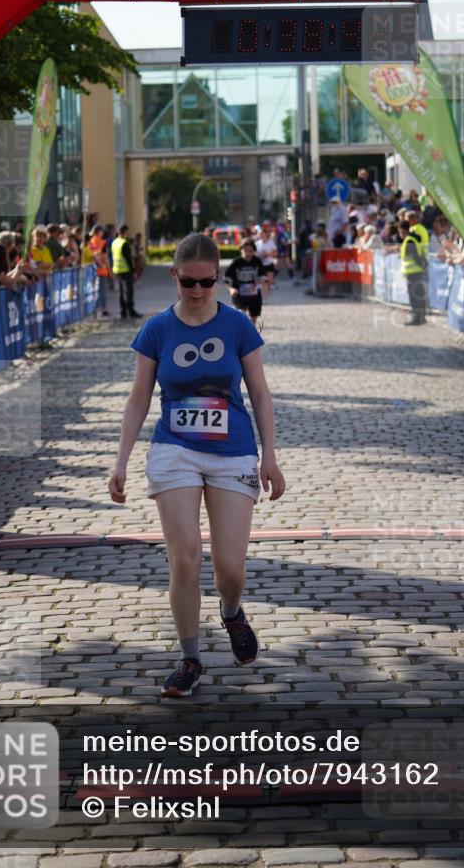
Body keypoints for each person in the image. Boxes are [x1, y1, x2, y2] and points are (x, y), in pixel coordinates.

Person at [108, 233, 285, 697]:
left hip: (234, 452)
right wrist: (120, 461)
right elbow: (138, 400)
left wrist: (270, 456)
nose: (199, 291)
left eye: (208, 282)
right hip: (175, 449)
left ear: (218, 278)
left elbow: (261, 394)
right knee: (184, 560)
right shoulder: (156, 330)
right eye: (189, 282)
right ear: (175, 276)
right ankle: (189, 658)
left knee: (230, 569)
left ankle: (231, 612)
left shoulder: (239, 326)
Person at [224, 238, 266, 326]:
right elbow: (226, 278)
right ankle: (241, 335)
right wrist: (231, 289)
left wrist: (261, 280)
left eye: (250, 251)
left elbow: (263, 275)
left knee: (253, 320)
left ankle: (250, 336)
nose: (248, 253)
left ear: (254, 251)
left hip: (254, 294)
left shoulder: (257, 261)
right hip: (239, 293)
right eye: (245, 250)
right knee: (241, 316)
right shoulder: (236, 262)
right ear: (241, 250)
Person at [399, 219, 428, 326]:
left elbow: (415, 256)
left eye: (400, 232)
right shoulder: (413, 239)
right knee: (418, 294)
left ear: (403, 230)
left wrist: (422, 266)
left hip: (413, 272)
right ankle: (421, 317)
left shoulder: (409, 240)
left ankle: (416, 318)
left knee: (414, 296)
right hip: (416, 271)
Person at [111, 224, 141, 320]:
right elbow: (128, 259)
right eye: (127, 232)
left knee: (121, 292)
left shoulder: (114, 242)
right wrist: (133, 271)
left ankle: (123, 311)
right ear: (124, 232)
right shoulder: (124, 243)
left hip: (117, 269)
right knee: (128, 291)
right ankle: (130, 311)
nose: (128, 234)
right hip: (125, 270)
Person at [89, 224, 113, 317]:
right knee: (101, 291)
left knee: (95, 291)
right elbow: (105, 257)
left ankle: (96, 310)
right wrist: (109, 270)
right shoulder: (103, 243)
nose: (103, 232)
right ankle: (103, 309)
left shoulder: (90, 242)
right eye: (101, 231)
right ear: (98, 232)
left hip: (92, 270)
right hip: (101, 270)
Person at [254, 226, 277, 302]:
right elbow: (254, 254)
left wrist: (267, 254)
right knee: (263, 281)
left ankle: (266, 295)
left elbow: (275, 253)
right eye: (259, 233)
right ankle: (264, 298)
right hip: (261, 265)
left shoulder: (271, 242)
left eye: (262, 233)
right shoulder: (257, 243)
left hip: (269, 264)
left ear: (265, 234)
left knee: (269, 282)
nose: (260, 235)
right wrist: (258, 255)